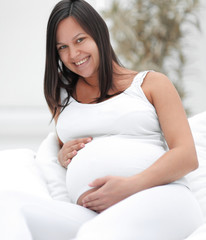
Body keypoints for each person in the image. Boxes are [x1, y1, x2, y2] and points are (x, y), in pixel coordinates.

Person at [43, 0, 204, 239]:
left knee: (94, 235)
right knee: (9, 205)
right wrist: (61, 154)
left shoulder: (151, 84)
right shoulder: (61, 98)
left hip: (160, 198)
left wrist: (130, 186)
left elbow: (187, 156)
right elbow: (65, 144)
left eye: (80, 40)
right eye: (62, 47)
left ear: (99, 35)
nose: (73, 54)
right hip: (93, 212)